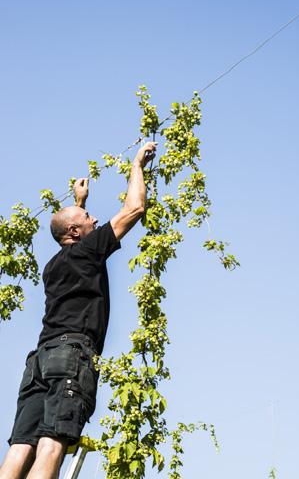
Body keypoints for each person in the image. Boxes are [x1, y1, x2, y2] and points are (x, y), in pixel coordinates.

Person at [0, 141, 157, 479]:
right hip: (72, 354)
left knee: (20, 447)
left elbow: (71, 228)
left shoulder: (54, 265)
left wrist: (78, 203)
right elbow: (134, 209)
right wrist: (136, 167)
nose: (95, 218)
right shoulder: (87, 251)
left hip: (40, 360)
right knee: (51, 444)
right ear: (75, 232)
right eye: (89, 217)